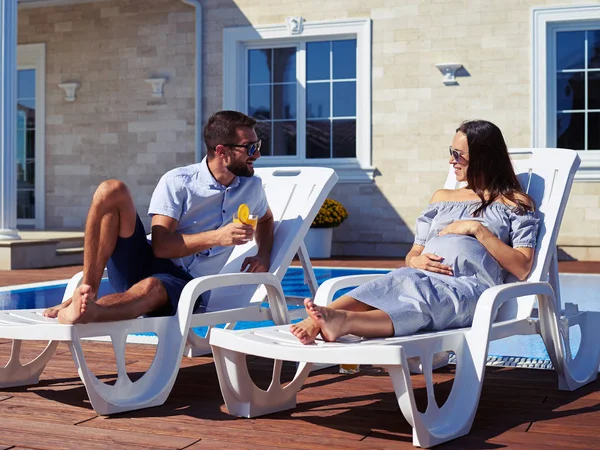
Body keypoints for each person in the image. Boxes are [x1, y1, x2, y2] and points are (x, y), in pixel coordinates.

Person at [291, 120, 539, 344]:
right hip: (420, 277)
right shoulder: (443, 198)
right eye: (450, 153)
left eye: (458, 154)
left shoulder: (513, 204)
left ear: (483, 157)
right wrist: (416, 260)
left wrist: (477, 229)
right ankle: (322, 319)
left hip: (467, 290)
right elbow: (413, 254)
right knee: (394, 280)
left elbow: (522, 266)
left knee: (418, 304)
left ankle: (343, 320)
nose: (451, 160)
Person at [44, 110, 274, 324]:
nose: (258, 154)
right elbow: (161, 247)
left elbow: (265, 219)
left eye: (258, 145)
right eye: (250, 148)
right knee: (111, 190)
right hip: (145, 260)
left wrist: (262, 255)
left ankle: (88, 312)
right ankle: (87, 292)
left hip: (187, 284)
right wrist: (217, 237)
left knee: (153, 286)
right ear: (222, 151)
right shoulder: (179, 181)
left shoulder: (252, 187)